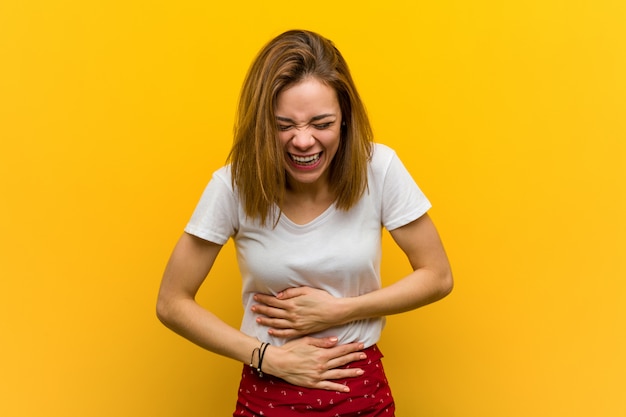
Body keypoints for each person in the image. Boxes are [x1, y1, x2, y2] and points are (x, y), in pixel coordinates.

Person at [157, 29, 453, 417]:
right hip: (267, 392)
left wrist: (341, 310)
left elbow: (437, 275)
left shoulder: (378, 169)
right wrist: (266, 357)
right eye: (283, 125)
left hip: (359, 389)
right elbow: (172, 302)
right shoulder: (233, 185)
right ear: (263, 124)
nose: (302, 140)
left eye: (321, 123)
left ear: (345, 118)